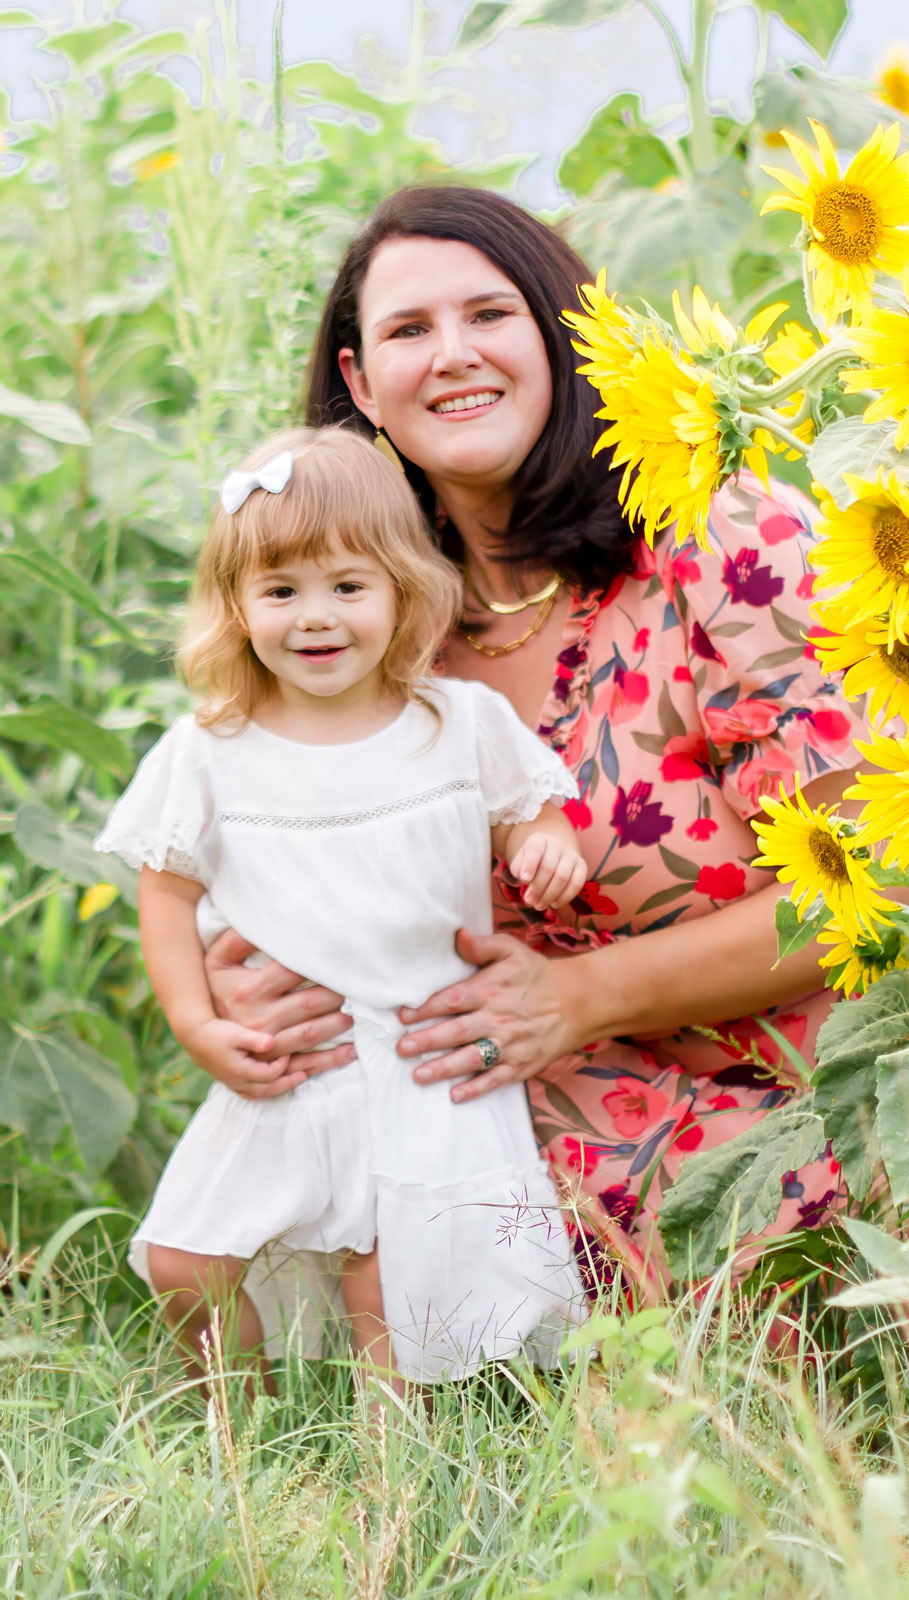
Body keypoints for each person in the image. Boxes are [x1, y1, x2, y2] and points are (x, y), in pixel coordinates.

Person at [203, 186, 870, 1305]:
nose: (452, 355)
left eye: (490, 315)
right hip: (542, 1097)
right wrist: (264, 973)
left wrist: (581, 994)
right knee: (342, 1127)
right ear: (362, 384)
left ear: (564, 337)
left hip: (811, 1092)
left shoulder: (725, 538)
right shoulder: (366, 638)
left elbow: (885, 886)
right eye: (409, 331)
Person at [93, 425, 589, 1386]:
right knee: (186, 1263)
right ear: (236, 607)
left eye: (347, 587)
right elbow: (166, 892)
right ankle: (237, 1433)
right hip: (291, 1068)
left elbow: (532, 809)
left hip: (419, 1058)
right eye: (280, 591)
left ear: (403, 588)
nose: (314, 618)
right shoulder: (211, 750)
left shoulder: (454, 725)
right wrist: (196, 1024)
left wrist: (542, 847)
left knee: (386, 1292)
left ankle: (388, 1479)